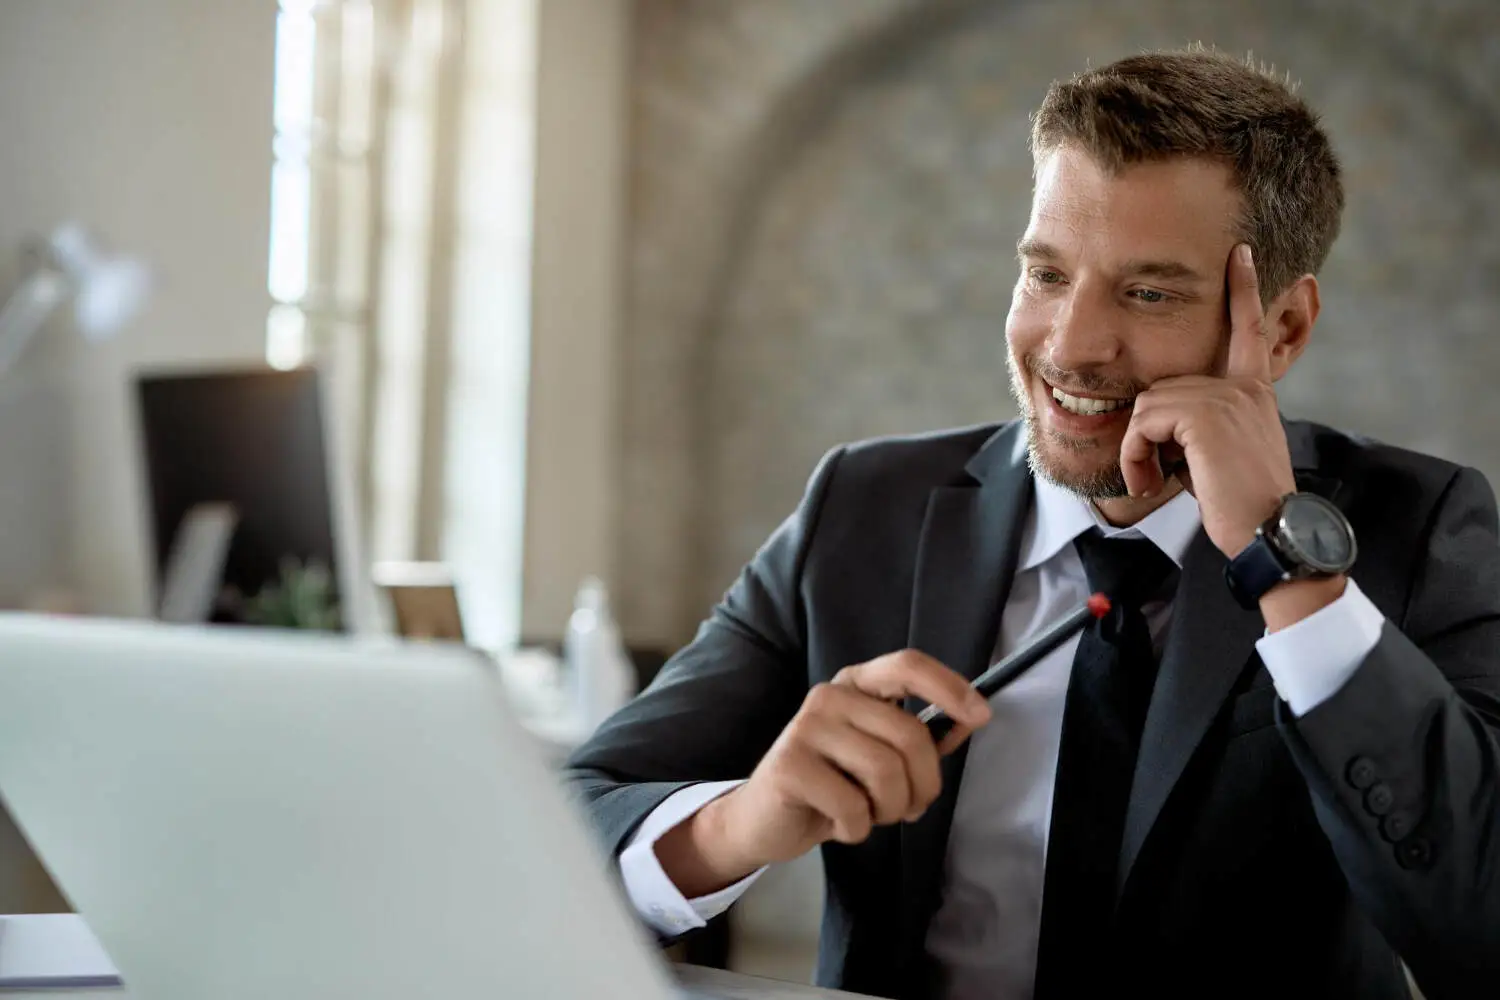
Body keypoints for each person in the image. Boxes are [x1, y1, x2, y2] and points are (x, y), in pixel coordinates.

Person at [564, 48, 1500, 1000]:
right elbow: (565, 821)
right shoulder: (863, 507)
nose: (1070, 347)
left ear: (1285, 329)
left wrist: (1284, 554)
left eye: (1149, 293)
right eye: (1047, 275)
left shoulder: (1416, 530)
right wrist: (741, 821)